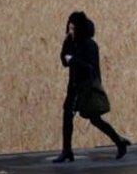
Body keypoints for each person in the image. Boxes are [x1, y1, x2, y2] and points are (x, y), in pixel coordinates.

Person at [54, 12, 131, 163]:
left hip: (87, 87)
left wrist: (73, 59)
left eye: (73, 28)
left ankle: (119, 141)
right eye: (69, 27)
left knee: (95, 119)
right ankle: (67, 151)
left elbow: (89, 67)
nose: (70, 31)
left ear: (80, 28)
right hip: (74, 86)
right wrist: (66, 52)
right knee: (67, 116)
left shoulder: (90, 45)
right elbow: (64, 61)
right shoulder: (71, 41)